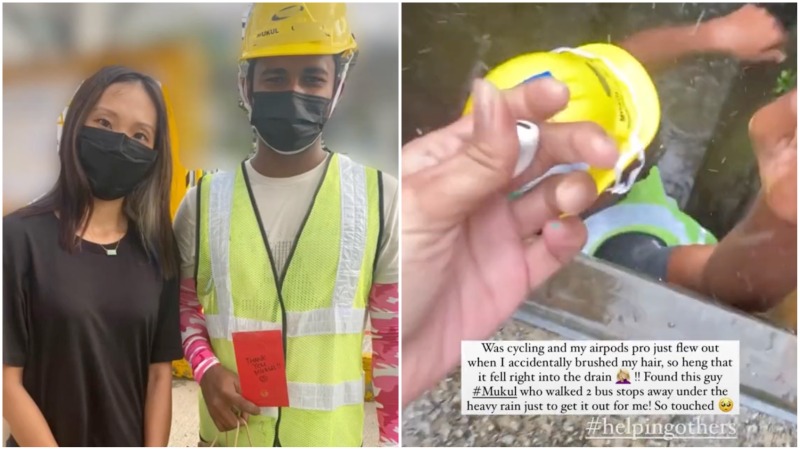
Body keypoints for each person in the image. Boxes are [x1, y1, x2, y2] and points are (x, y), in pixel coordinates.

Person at [174, 3, 399, 447]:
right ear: (247, 86)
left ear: (337, 87)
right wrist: (206, 368)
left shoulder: (380, 199)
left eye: (312, 78)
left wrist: (394, 440)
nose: (294, 91)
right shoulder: (200, 205)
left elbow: (395, 342)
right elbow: (184, 310)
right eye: (275, 77)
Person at [3, 66, 182, 446]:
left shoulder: (158, 251)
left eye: (139, 135)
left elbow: (159, 374)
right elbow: (8, 383)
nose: (120, 142)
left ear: (153, 154)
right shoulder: (19, 238)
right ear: (74, 125)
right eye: (104, 122)